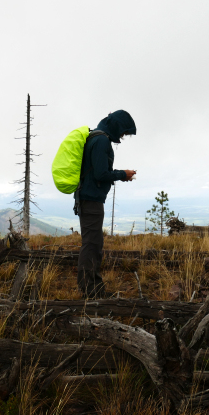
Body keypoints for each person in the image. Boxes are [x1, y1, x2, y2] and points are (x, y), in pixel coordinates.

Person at [74, 110, 137, 298]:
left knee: (93, 244)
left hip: (88, 198)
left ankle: (92, 288)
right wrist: (122, 174)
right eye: (123, 132)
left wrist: (121, 176)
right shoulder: (101, 141)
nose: (122, 136)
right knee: (92, 245)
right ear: (117, 126)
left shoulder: (96, 137)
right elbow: (100, 174)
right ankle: (90, 291)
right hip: (91, 200)